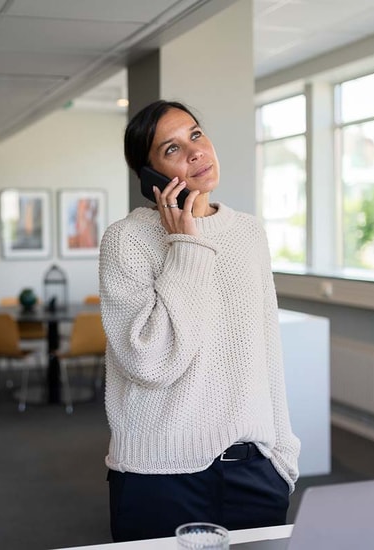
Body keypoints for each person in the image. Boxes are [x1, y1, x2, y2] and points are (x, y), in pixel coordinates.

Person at [98, 100, 301, 542]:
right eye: (170, 149)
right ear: (149, 176)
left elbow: (266, 351)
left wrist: (283, 454)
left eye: (194, 134)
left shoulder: (249, 233)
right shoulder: (126, 240)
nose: (194, 152)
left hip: (255, 470)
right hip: (159, 476)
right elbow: (149, 362)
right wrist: (185, 246)